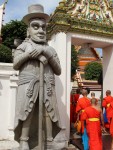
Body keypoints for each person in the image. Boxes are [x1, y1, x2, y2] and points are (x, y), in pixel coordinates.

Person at [13, 4, 61, 149]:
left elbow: (58, 70)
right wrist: (29, 55)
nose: (40, 30)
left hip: (47, 84)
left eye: (43, 27)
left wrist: (46, 53)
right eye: (35, 26)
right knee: (28, 109)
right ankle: (24, 139)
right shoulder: (24, 46)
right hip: (29, 83)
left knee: (49, 110)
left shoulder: (50, 49)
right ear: (28, 30)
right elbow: (16, 63)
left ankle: (49, 139)